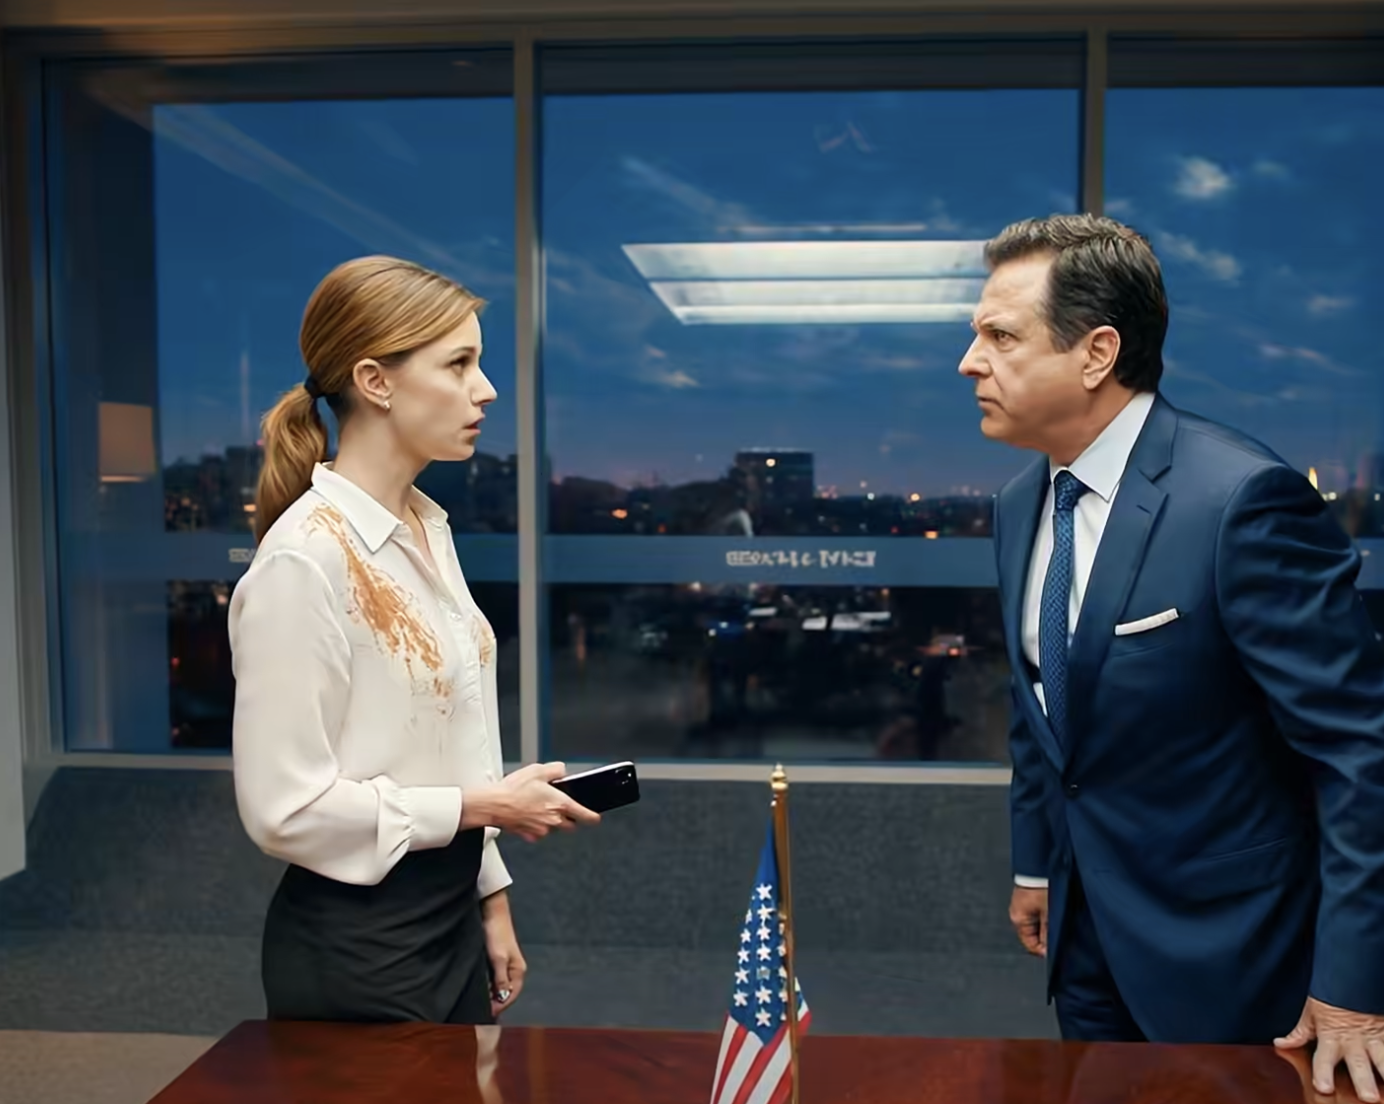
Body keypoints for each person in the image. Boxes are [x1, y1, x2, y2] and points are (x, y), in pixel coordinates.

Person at [958, 213, 1384, 1100]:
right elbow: (1041, 704)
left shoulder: (1240, 500)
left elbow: (1358, 753)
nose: (970, 362)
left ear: (1096, 353)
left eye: (1000, 336)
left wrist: (1354, 986)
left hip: (1236, 954)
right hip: (1086, 941)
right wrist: (1037, 864)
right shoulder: (1018, 503)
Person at [228, 255, 599, 1025]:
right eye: (459, 364)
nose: (485, 389)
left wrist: (491, 897)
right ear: (376, 381)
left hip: (449, 919)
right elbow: (281, 810)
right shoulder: (306, 559)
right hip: (358, 948)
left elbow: (451, 743)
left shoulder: (426, 528)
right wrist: (488, 806)